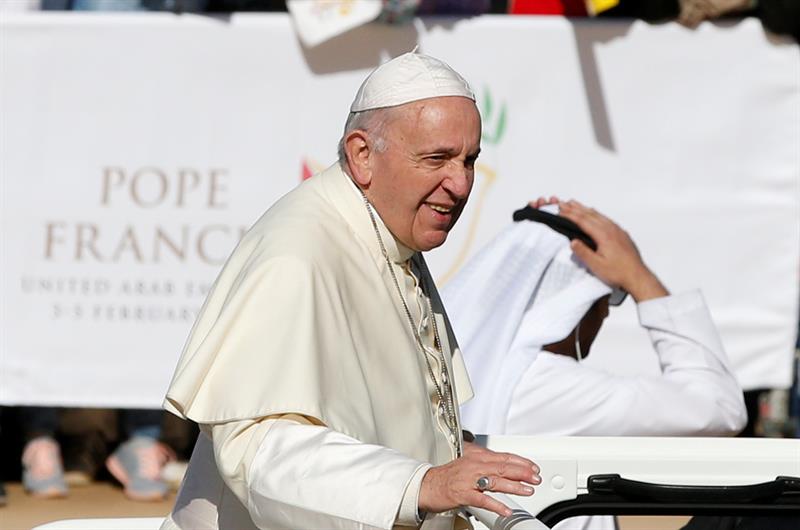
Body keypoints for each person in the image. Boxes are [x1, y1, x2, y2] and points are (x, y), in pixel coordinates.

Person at [160, 51, 541, 530]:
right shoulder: (296, 254)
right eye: (437, 159)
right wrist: (420, 485)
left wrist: (448, 454)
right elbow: (263, 453)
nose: (460, 184)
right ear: (362, 154)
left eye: (469, 160)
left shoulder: (387, 234)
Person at [443, 199, 747, 530]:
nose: (604, 313)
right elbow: (719, 406)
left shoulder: (454, 367)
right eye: (606, 299)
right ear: (571, 305)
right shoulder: (544, 386)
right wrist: (637, 275)